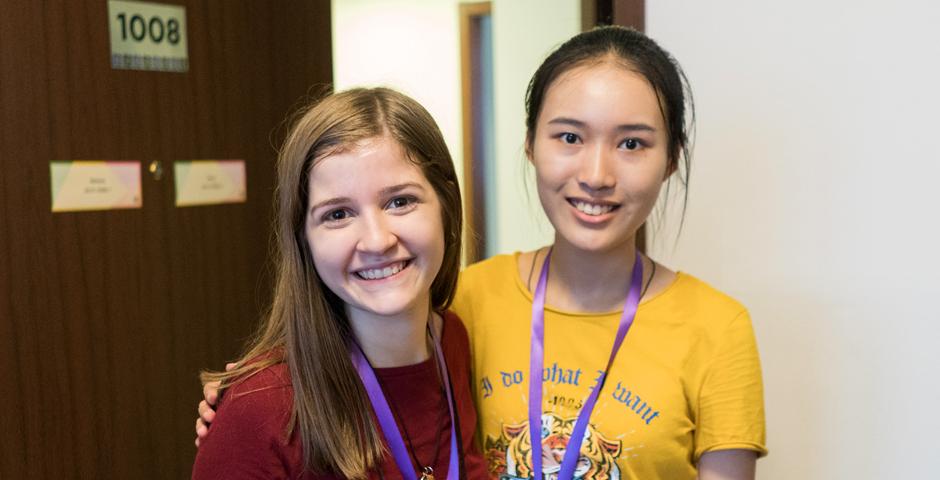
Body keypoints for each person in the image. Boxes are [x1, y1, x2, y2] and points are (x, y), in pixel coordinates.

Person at [197, 26, 766, 480]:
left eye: (633, 143)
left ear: (671, 159)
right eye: (569, 136)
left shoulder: (717, 328)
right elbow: (331, 353)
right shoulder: (465, 301)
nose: (597, 174)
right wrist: (246, 403)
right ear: (530, 144)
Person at [191, 87, 489, 479]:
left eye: (400, 202)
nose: (378, 240)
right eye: (338, 214)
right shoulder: (262, 406)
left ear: (446, 206)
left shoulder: (453, 342)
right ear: (304, 239)